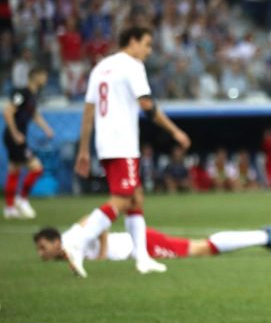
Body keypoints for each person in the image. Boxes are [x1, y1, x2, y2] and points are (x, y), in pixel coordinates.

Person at [68, 25, 191, 278]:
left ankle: (142, 258)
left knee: (136, 197)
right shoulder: (133, 66)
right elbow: (146, 104)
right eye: (146, 44)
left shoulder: (100, 67)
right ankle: (77, 242)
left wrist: (84, 150)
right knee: (123, 198)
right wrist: (175, 131)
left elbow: (89, 111)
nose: (148, 50)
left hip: (105, 143)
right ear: (132, 41)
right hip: (122, 141)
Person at [34, 221, 271, 277]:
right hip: (137, 247)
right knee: (202, 247)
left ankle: (264, 235)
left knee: (202, 248)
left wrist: (101, 254)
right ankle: (263, 235)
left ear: (56, 241)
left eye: (43, 247)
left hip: (140, 244)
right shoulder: (66, 247)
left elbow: (100, 224)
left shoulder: (69, 239)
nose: (41, 253)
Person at [3, 66, 54, 219]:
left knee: (14, 170)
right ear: (35, 76)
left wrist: (47, 128)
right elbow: (8, 111)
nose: (45, 79)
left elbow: (34, 114)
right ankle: (22, 199)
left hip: (18, 136)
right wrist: (15, 133)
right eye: (43, 75)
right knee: (37, 168)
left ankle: (10, 207)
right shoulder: (22, 92)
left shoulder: (33, 95)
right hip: (15, 137)